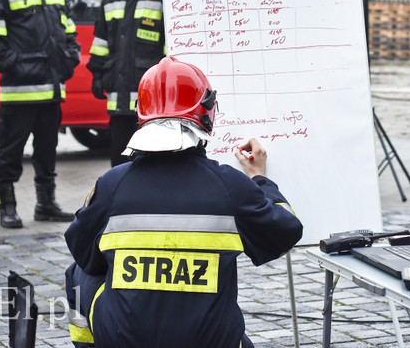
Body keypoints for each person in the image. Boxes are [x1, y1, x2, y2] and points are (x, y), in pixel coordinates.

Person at [64, 56, 303, 347]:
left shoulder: (113, 184)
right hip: (210, 342)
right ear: (207, 113)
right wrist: (259, 180)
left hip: (126, 340)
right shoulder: (230, 186)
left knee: (78, 273)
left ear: (142, 114)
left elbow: (81, 248)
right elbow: (286, 230)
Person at [0, 0, 80, 228]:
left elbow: (68, 28)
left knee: (47, 151)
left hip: (51, 90)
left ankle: (46, 204)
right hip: (20, 91)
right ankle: (6, 207)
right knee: (9, 152)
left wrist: (70, 59)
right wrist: (15, 65)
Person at [87, 0, 165, 167]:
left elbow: (170, 49)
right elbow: (101, 42)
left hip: (150, 100)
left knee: (151, 159)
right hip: (119, 99)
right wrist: (97, 73)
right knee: (119, 161)